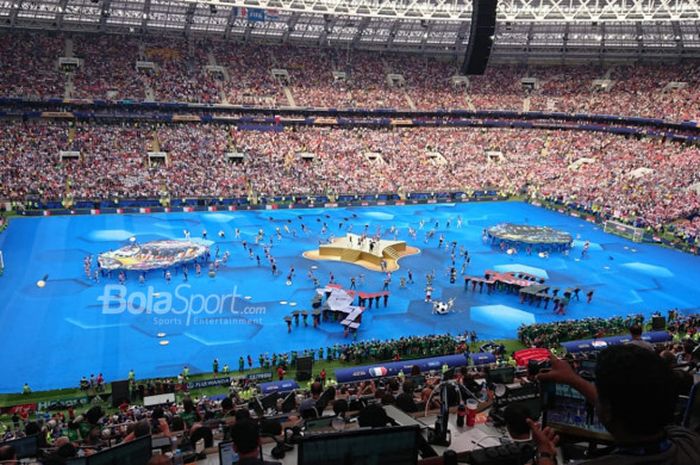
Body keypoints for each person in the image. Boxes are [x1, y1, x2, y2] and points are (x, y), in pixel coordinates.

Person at [530, 345, 700, 465]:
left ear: (607, 411)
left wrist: (544, 453)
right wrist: (574, 380)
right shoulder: (689, 442)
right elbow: (631, 401)